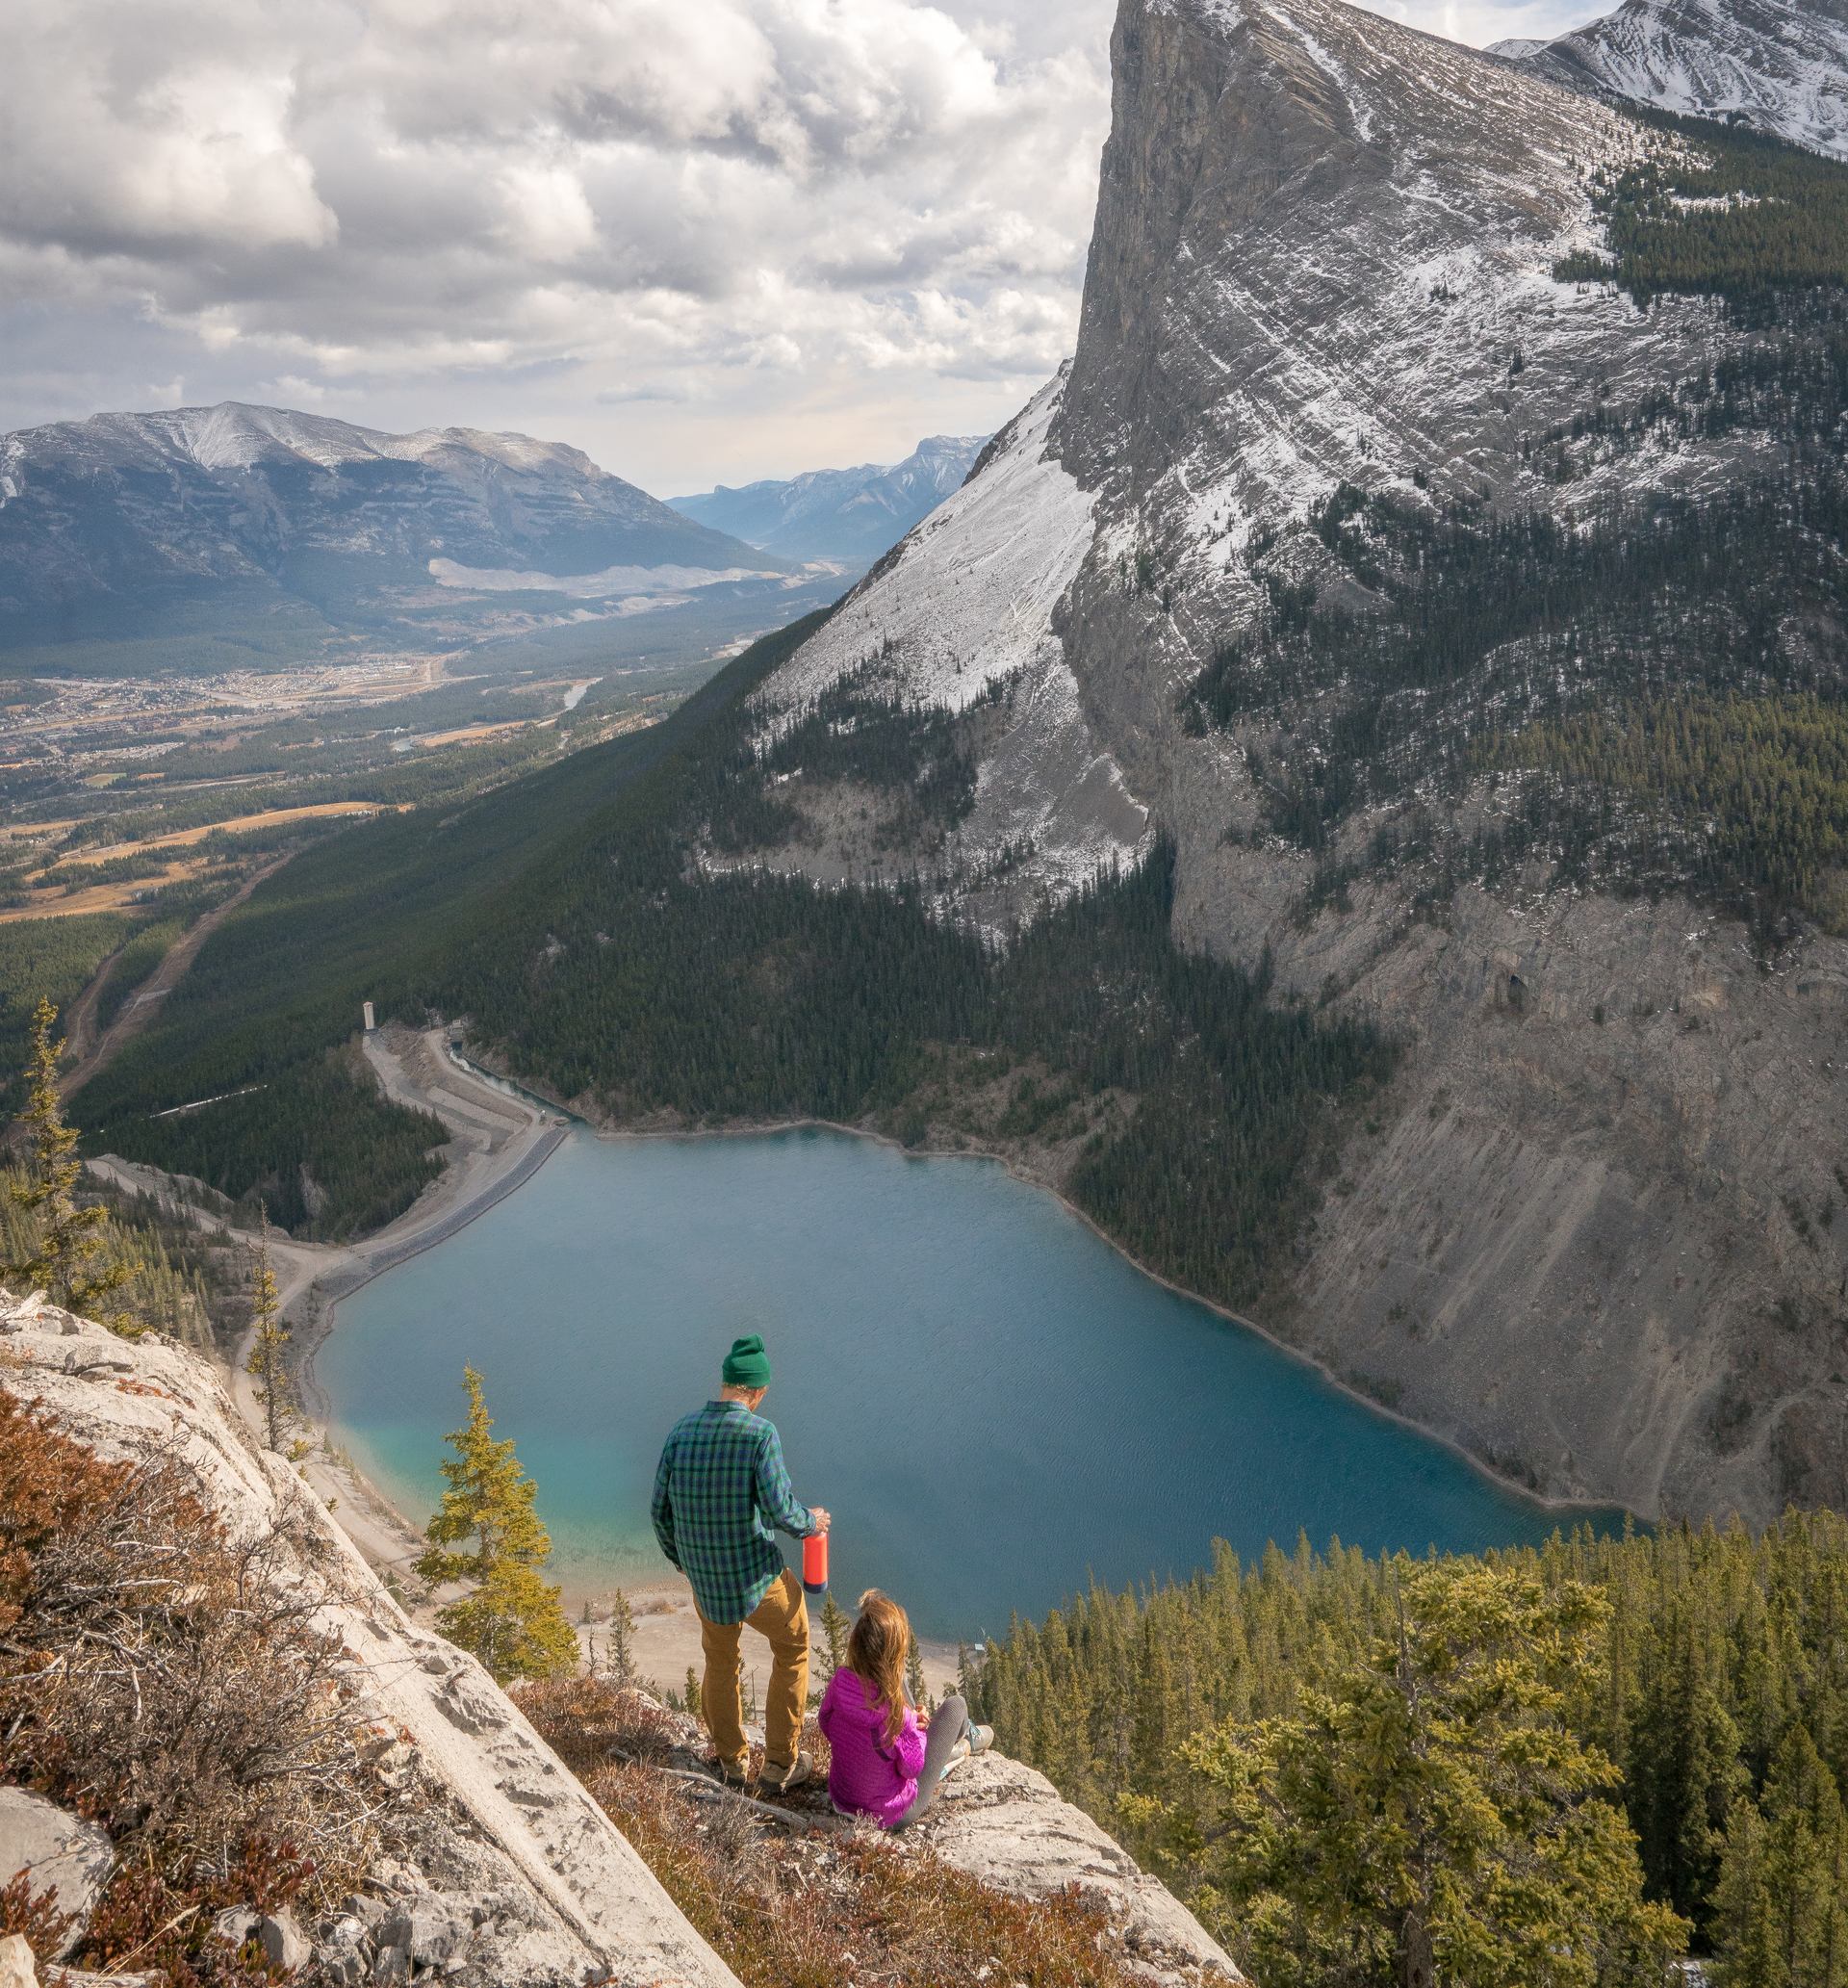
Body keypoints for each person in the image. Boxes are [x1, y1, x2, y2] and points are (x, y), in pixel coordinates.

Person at [651, 1333, 830, 1793]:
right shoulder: (760, 1433)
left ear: (726, 1381)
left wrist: (685, 1563)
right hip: (755, 1578)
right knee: (793, 1646)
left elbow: (659, 1513)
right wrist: (813, 1522)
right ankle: (778, 1765)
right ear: (759, 1391)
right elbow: (778, 1511)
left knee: (721, 1661)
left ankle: (732, 1763)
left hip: (707, 1583)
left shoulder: (682, 1430)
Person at [818, 1588, 993, 1829]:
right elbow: (912, 1768)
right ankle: (966, 1738)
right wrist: (914, 1727)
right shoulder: (896, 1718)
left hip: (842, 1798)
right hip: (890, 1814)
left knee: (895, 1683)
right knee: (956, 1705)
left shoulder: (839, 1684)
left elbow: (826, 1725)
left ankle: (953, 1744)